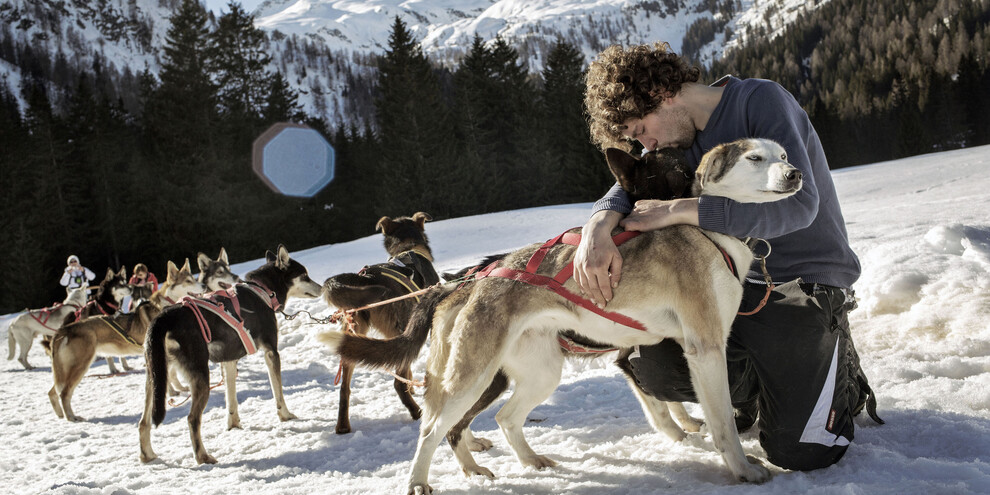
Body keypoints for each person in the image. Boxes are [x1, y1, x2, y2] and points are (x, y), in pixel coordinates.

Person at [575, 42, 880, 471]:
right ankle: (764, 386)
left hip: (801, 284)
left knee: (804, 452)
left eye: (641, 129)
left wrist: (679, 209)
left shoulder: (760, 101)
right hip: (725, 285)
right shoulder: (679, 139)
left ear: (663, 93)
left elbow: (798, 205)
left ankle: (835, 371)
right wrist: (597, 226)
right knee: (653, 364)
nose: (646, 144)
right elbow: (630, 184)